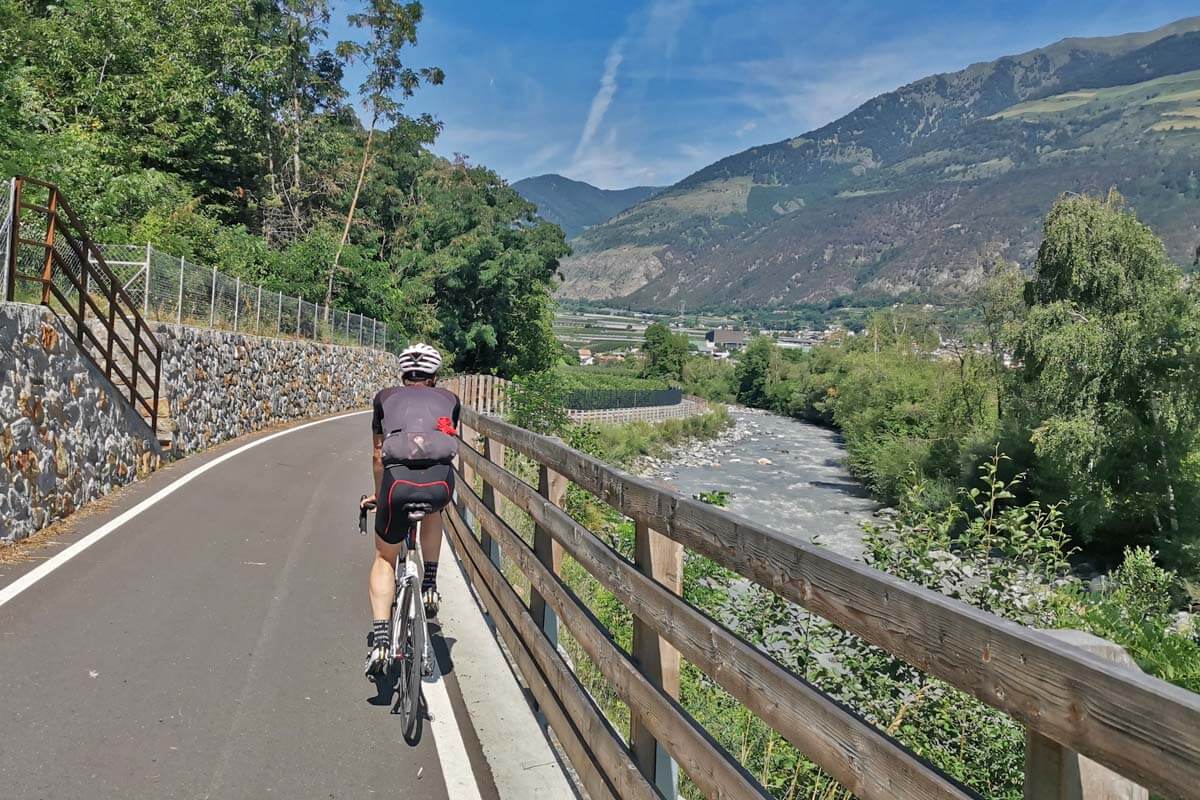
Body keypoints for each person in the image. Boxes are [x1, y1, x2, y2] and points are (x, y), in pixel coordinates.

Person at [361, 343, 460, 677]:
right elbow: (445, 443)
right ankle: (429, 581)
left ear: (403, 374)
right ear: (434, 377)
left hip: (397, 486)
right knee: (435, 511)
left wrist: (379, 495)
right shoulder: (449, 399)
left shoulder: (385, 398)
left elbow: (378, 455)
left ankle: (381, 639)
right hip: (440, 485)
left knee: (385, 558)